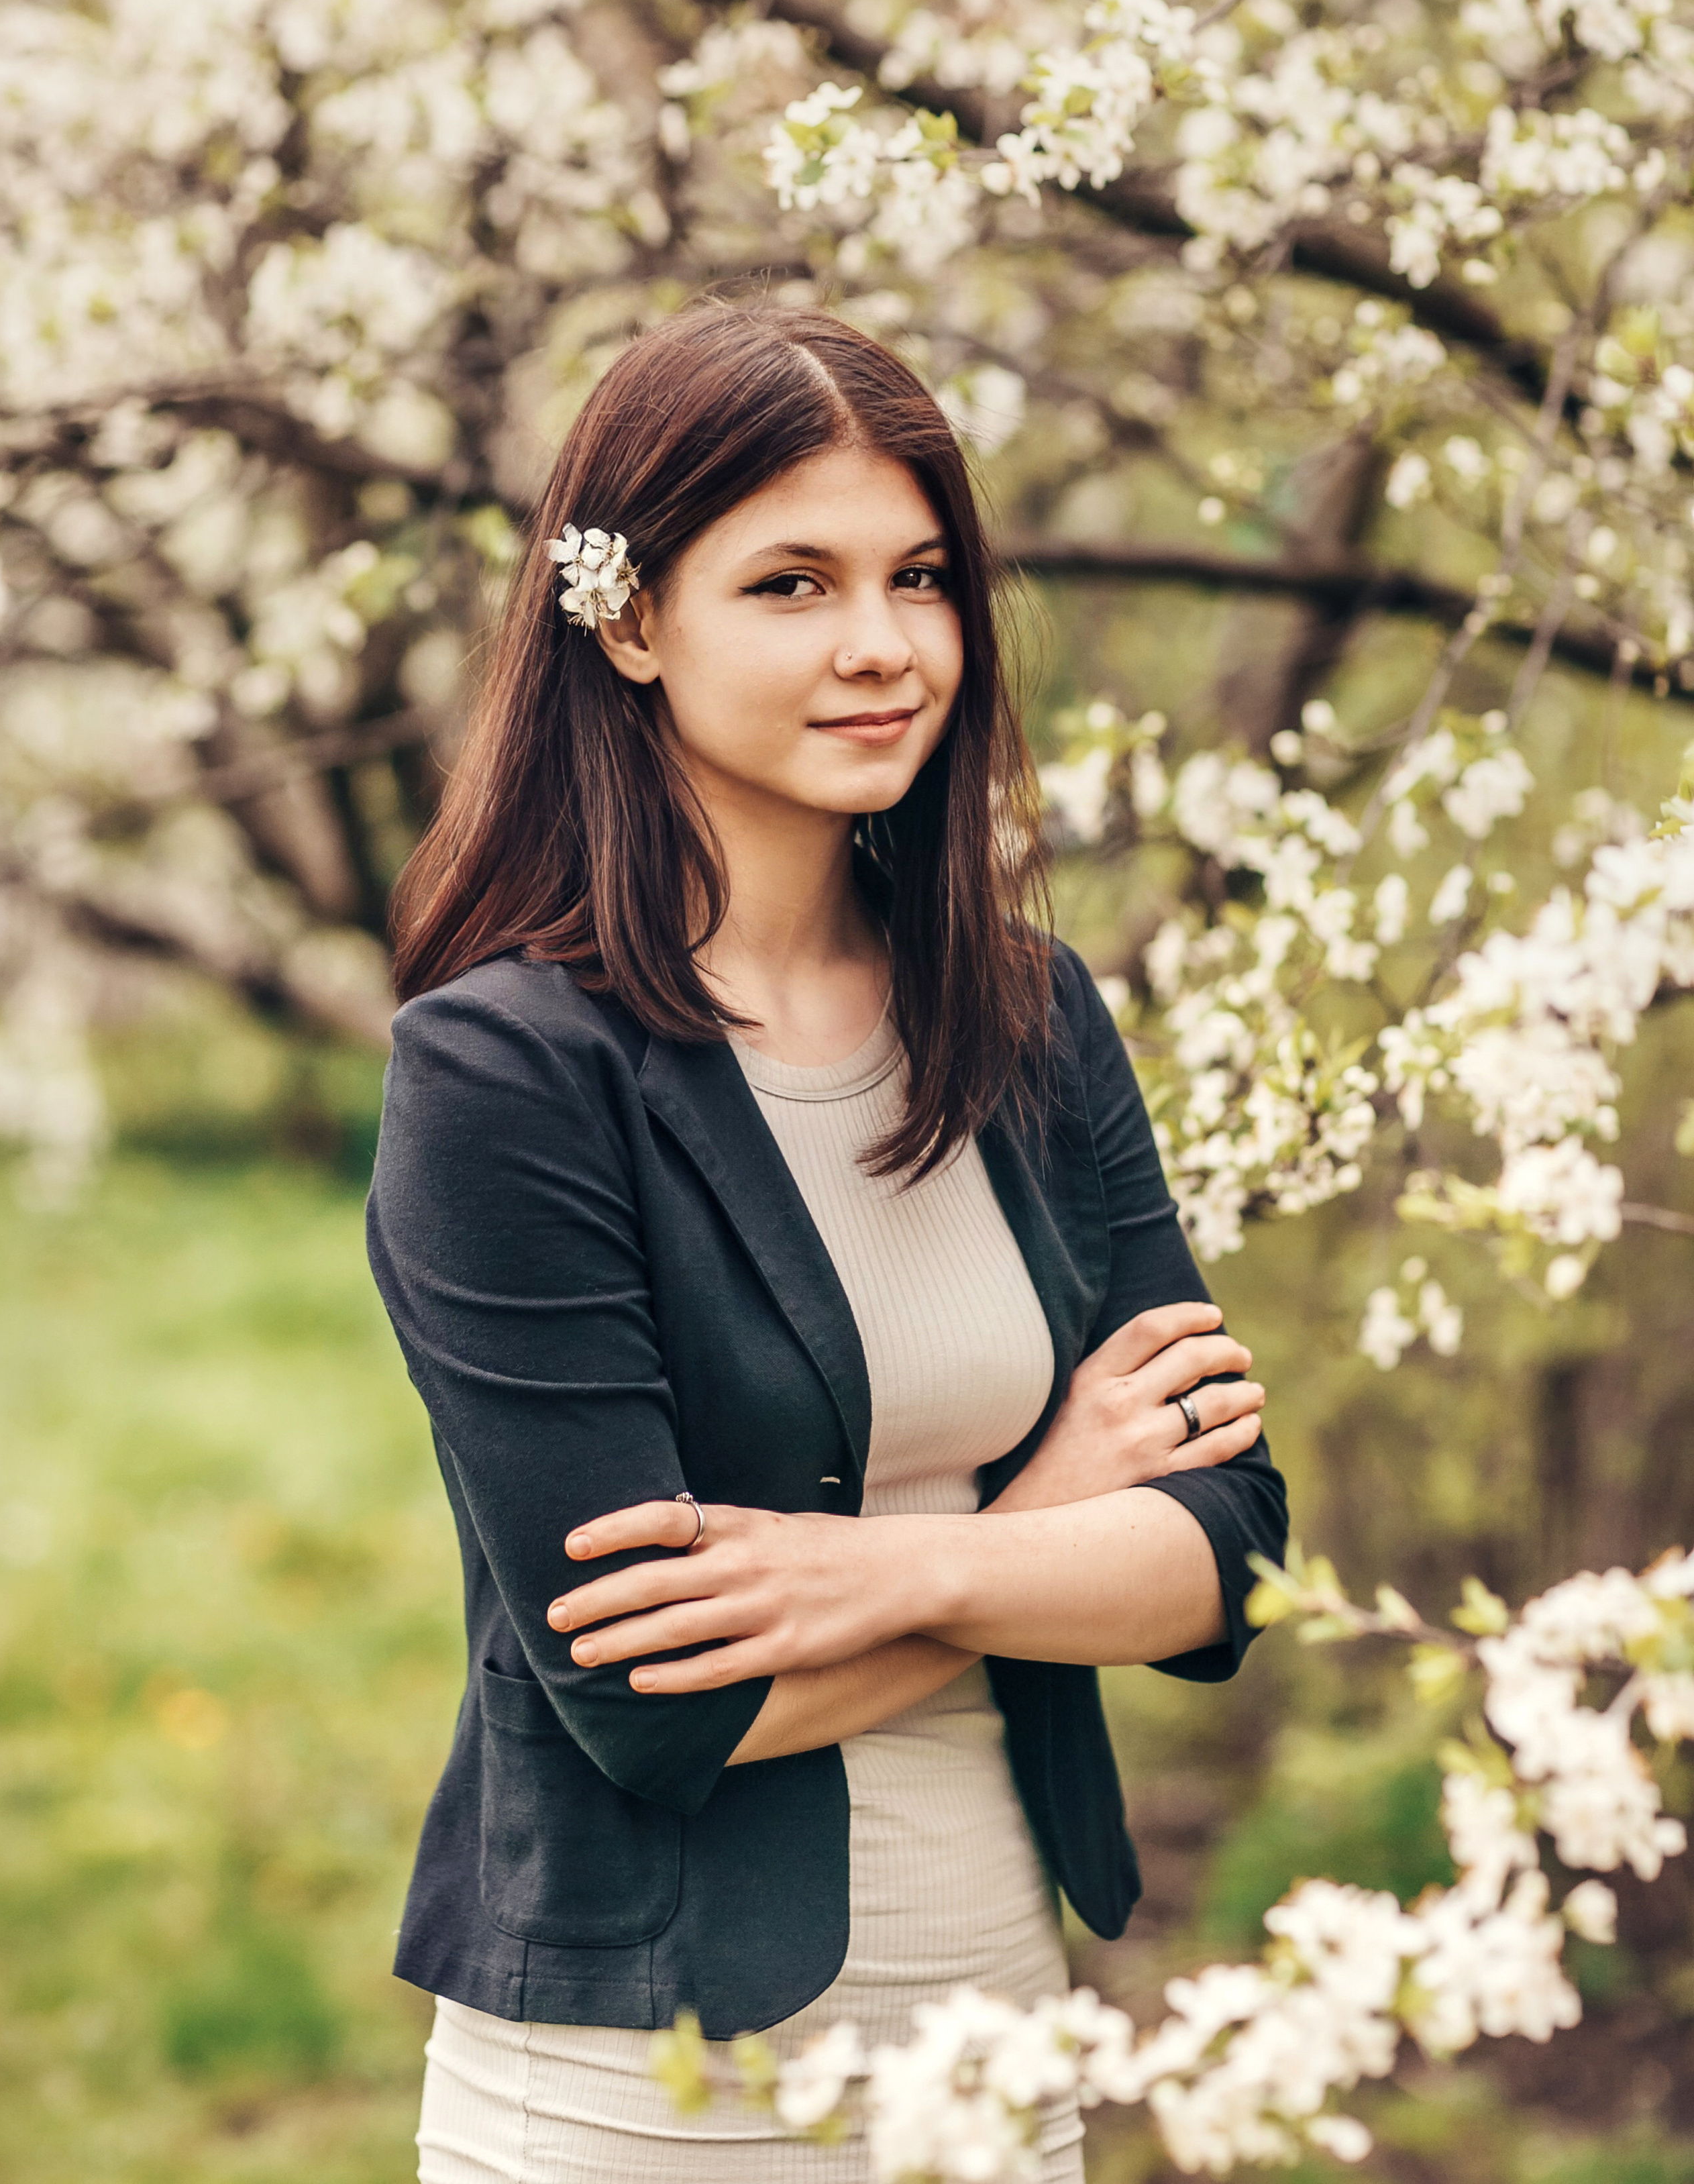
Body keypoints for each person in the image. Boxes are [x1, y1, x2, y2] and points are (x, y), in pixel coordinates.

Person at [367, 302, 1287, 2183]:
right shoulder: (505, 1076)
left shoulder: (1031, 1018)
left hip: (1005, 2041)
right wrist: (1040, 1526)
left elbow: (1230, 1552)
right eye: (791, 583)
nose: (881, 647)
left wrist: (861, 1580)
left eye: (920, 576)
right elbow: (657, 1709)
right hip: (655, 2092)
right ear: (627, 621)